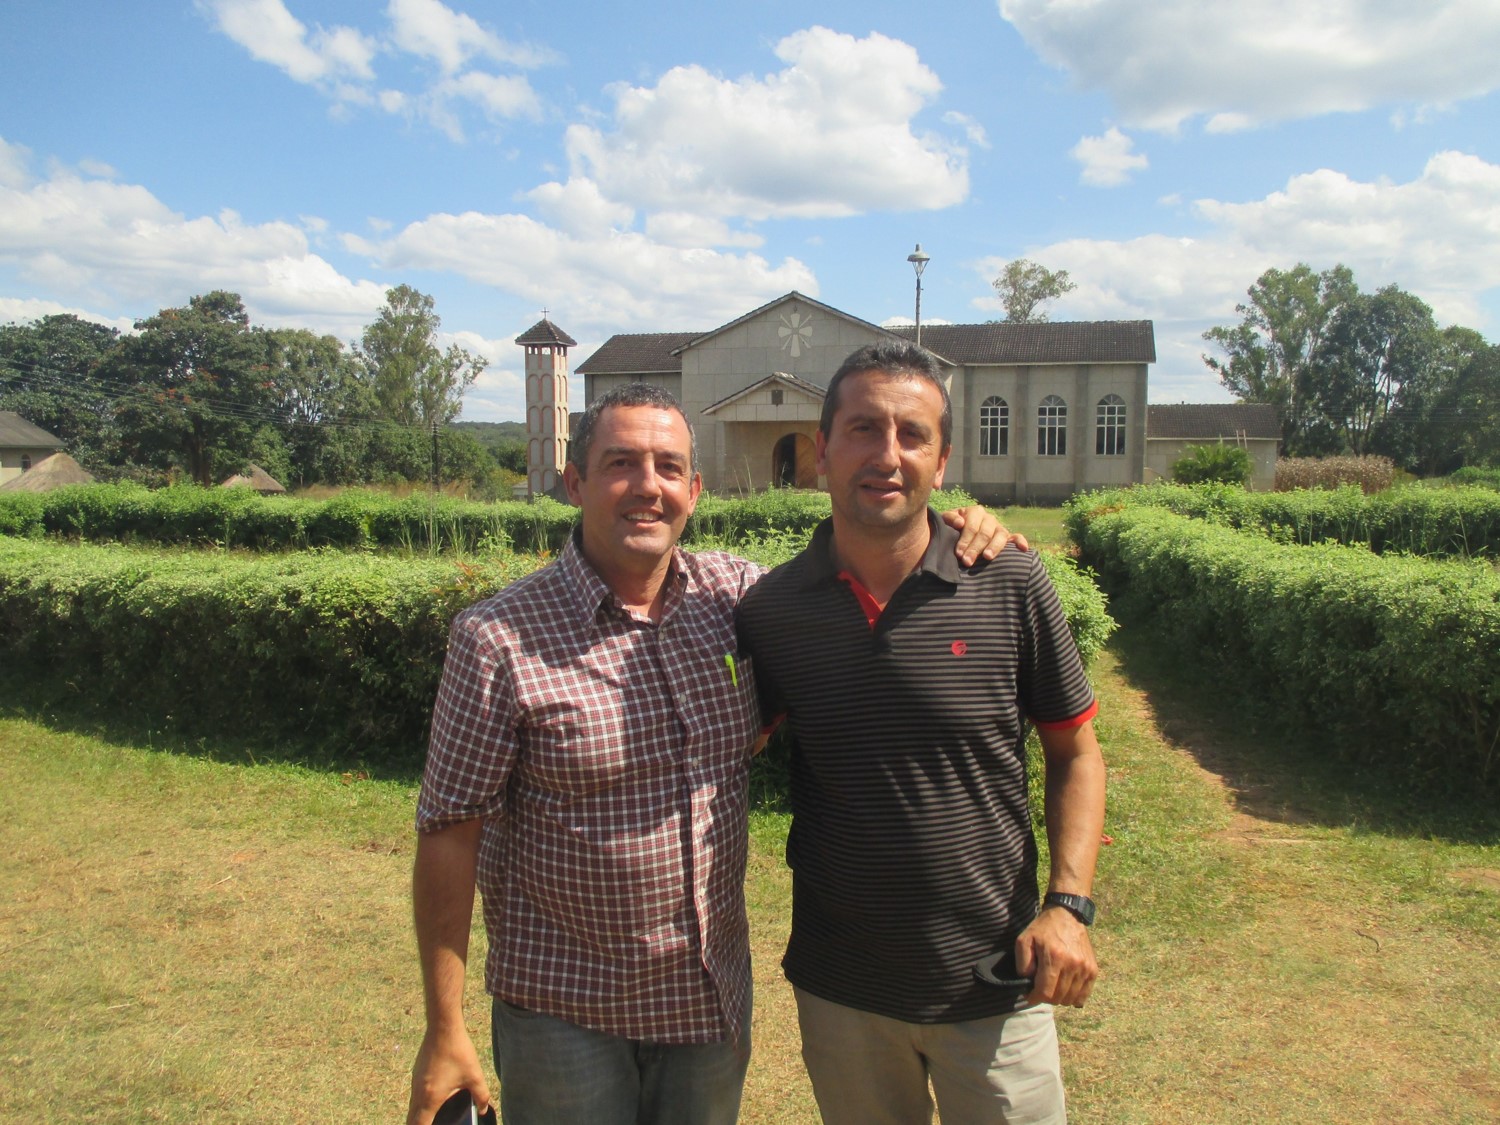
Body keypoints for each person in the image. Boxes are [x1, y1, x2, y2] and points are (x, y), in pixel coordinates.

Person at [406, 381, 1019, 1125]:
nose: (647, 486)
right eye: (621, 463)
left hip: (706, 1007)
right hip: (563, 1010)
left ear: (694, 490)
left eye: (668, 466)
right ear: (575, 482)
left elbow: (861, 575)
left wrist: (965, 531)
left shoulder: (737, 600)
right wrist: (445, 1027)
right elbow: (449, 831)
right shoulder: (497, 638)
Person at [735, 341, 1106, 1125]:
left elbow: (1074, 751)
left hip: (996, 982)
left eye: (913, 434)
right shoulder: (774, 611)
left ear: (943, 462)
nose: (888, 453)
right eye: (865, 429)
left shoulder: (1009, 580)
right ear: (824, 450)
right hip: (842, 993)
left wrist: (1068, 906)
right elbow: (722, 740)